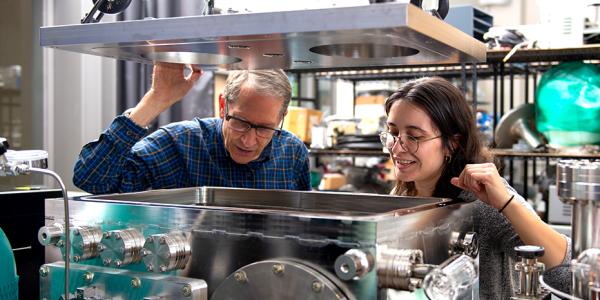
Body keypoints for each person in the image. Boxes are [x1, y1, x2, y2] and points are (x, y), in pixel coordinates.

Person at [381, 76, 571, 299]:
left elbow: (564, 276)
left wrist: (506, 204)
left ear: (451, 144)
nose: (397, 148)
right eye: (393, 134)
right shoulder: (402, 194)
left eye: (414, 137)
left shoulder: (482, 202)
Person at [73, 65, 311, 194]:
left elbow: (304, 228)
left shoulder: (292, 152)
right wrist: (155, 101)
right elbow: (92, 180)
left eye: (265, 128)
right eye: (240, 122)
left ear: (282, 118)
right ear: (222, 106)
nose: (248, 141)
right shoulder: (178, 145)